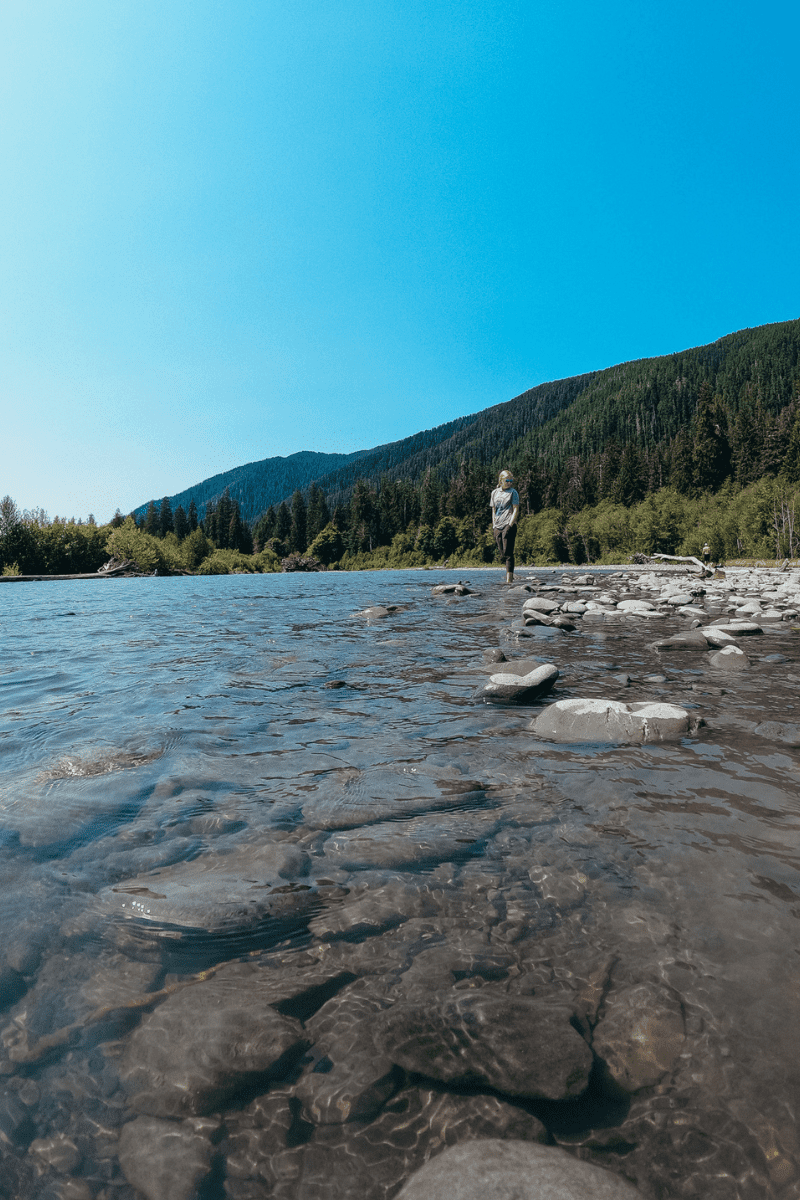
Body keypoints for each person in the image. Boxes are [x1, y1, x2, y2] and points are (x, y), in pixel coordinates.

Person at [490, 470, 520, 583]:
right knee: (502, 553)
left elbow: (516, 509)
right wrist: (494, 526)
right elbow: (493, 510)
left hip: (509, 524)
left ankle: (509, 580)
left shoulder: (513, 492)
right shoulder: (494, 493)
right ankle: (508, 576)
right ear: (501, 480)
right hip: (498, 525)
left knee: (508, 553)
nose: (509, 482)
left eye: (511, 480)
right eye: (507, 480)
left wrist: (510, 525)